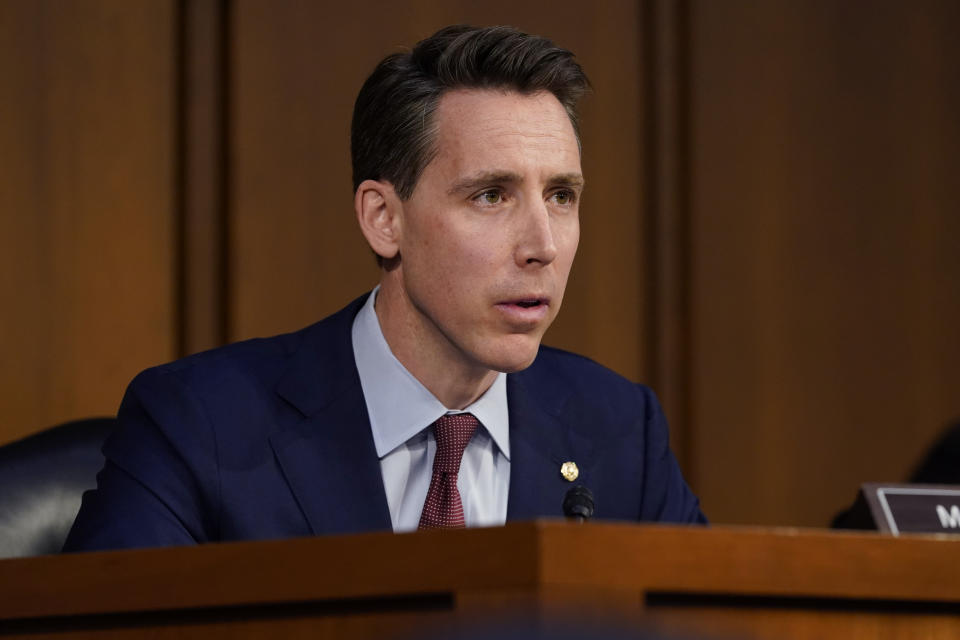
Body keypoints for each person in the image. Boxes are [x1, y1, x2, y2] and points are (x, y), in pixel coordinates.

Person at [64, 25, 705, 552]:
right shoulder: (198, 424)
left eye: (561, 196)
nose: (542, 245)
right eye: (491, 196)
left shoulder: (620, 431)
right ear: (384, 218)